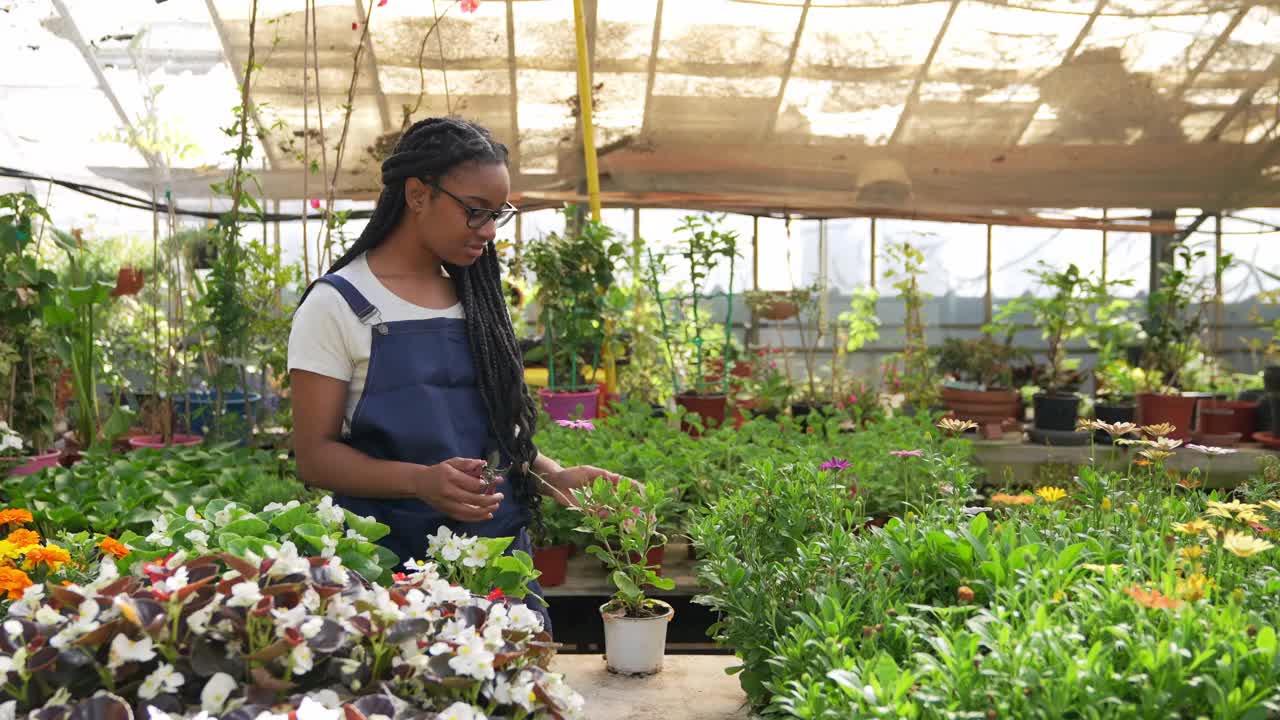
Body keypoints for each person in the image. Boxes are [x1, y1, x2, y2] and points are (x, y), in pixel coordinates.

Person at [288, 117, 618, 633]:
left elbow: (493, 435)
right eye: (475, 212)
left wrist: (550, 475)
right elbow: (314, 456)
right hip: (389, 567)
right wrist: (421, 482)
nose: (488, 231)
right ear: (418, 195)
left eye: (498, 214)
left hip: (498, 559)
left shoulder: (478, 299)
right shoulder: (338, 305)